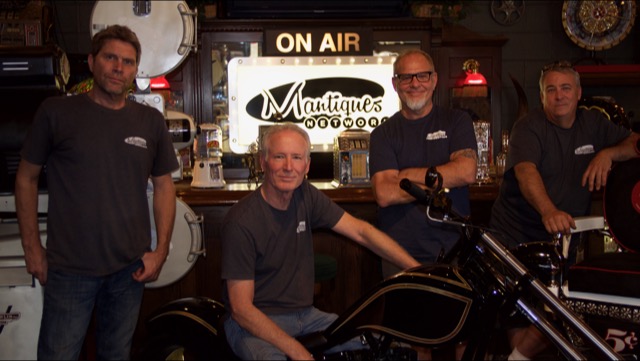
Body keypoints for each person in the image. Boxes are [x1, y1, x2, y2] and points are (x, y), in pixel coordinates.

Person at [15, 25, 179, 360]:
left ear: (136, 70)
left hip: (129, 270)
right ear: (91, 62)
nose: (119, 68)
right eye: (111, 58)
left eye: (129, 62)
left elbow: (164, 185)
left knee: (116, 355)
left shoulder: (149, 121)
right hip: (69, 268)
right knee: (58, 355)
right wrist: (32, 248)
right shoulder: (56, 112)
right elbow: (26, 178)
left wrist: (160, 250)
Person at [221, 122, 421, 360]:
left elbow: (361, 232)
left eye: (296, 157)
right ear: (263, 162)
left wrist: (417, 269)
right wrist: (299, 352)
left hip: (306, 316)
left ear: (307, 165)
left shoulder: (305, 195)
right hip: (254, 324)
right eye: (279, 157)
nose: (288, 167)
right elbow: (242, 310)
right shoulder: (242, 221)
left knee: (389, 351)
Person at [490, 60, 640, 361]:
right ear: (542, 96)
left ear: (578, 92)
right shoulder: (528, 127)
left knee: (557, 309)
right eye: (551, 90)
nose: (559, 96)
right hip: (516, 234)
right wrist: (549, 211)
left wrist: (608, 154)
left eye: (566, 88)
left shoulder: (593, 124)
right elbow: (525, 172)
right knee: (520, 316)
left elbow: (636, 144)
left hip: (563, 239)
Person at [369, 49, 478, 277]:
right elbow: (385, 193)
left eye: (422, 76)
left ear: (434, 79)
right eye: (406, 77)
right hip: (397, 253)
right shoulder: (383, 134)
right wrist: (443, 179)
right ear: (394, 84)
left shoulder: (457, 121)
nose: (414, 83)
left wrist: (406, 176)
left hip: (453, 249)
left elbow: (467, 171)